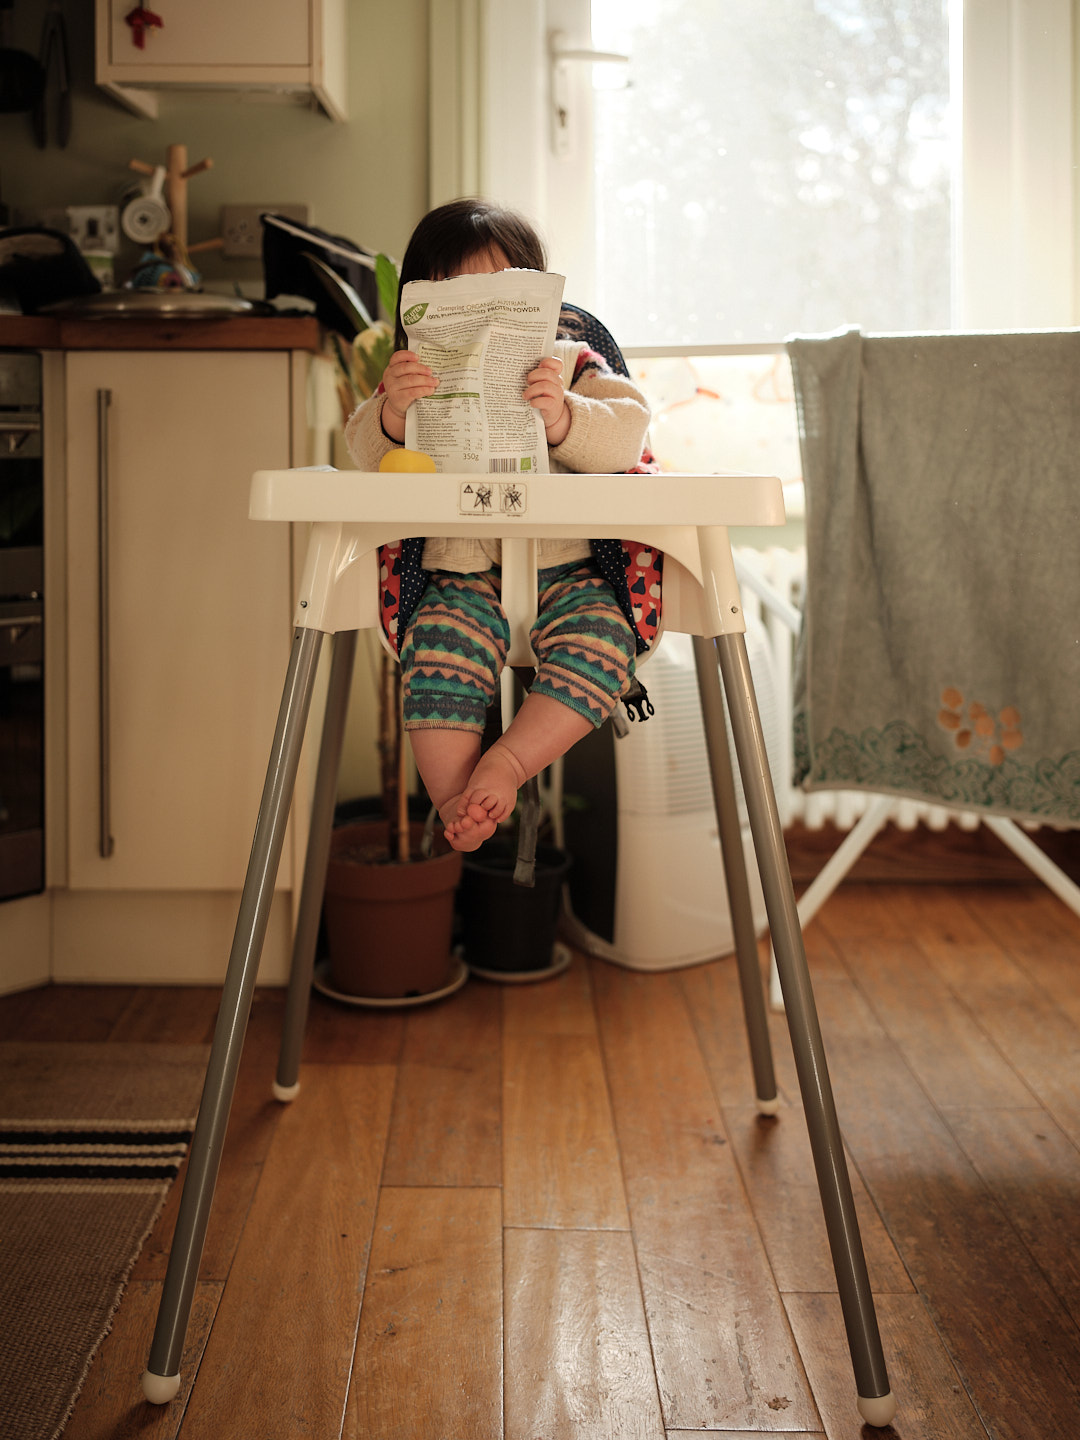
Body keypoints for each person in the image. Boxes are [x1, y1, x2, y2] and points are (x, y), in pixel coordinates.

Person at [345, 198, 652, 852]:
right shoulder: (410, 379)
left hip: (571, 570)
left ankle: (508, 763)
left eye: (500, 291)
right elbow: (363, 456)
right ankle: (454, 795)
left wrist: (564, 418)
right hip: (461, 575)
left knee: (604, 641)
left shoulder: (570, 365)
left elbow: (628, 438)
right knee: (435, 651)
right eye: (454, 293)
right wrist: (394, 418)